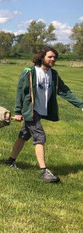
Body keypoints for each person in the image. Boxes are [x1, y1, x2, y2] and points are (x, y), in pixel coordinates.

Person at [5, 46, 83, 183]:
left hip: (41, 110)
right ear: (42, 57)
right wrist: (18, 111)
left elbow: (65, 91)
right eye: (50, 57)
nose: (53, 59)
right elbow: (20, 91)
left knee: (24, 135)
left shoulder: (53, 74)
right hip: (31, 110)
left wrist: (80, 105)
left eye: (54, 57)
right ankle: (44, 172)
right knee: (40, 136)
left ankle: (10, 161)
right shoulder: (29, 72)